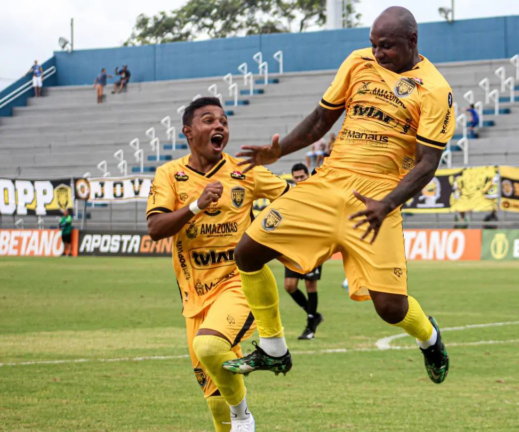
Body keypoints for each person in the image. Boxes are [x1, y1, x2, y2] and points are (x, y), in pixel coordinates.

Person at [223, 7, 452, 387]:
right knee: (247, 252)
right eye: (374, 45)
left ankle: (430, 338)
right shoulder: (357, 63)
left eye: (387, 47)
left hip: (377, 200)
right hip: (327, 185)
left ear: (412, 41)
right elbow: (320, 120)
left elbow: (427, 164)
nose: (378, 53)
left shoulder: (435, 90)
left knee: (391, 309)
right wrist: (278, 152)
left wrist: (388, 203)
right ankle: (273, 348)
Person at [145, 97, 290, 432]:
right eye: (208, 120)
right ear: (188, 131)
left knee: (210, 345)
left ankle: (244, 417)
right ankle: (234, 418)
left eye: (223, 121)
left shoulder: (246, 171)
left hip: (238, 282)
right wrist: (195, 206)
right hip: (194, 296)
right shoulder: (169, 174)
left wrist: (274, 235)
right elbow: (155, 228)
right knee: (213, 398)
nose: (219, 126)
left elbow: (294, 196)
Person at [283, 163, 325, 340]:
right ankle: (314, 315)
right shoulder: (291, 195)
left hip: (314, 245)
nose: (299, 180)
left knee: (310, 285)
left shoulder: (316, 194)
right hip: (295, 246)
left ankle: (310, 327)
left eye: (302, 176)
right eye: (296, 177)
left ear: (308, 175)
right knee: (289, 286)